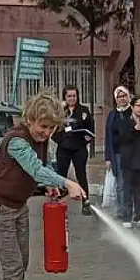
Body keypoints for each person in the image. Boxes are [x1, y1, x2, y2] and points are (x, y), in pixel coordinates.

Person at [0, 90, 86, 280]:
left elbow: (42, 169)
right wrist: (67, 183)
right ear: (30, 119)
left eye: (51, 128)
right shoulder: (17, 140)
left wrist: (50, 185)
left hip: (17, 205)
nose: (46, 133)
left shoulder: (41, 140)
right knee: (13, 264)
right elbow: (34, 168)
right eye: (43, 126)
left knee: (21, 261)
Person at [52, 84, 94, 216]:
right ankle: (58, 202)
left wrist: (85, 140)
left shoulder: (84, 111)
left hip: (79, 149)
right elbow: (52, 129)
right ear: (64, 97)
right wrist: (61, 138)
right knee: (60, 175)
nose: (72, 98)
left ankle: (85, 203)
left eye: (74, 96)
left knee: (81, 175)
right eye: (69, 96)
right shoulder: (59, 111)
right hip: (63, 148)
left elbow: (90, 130)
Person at [116, 95, 140, 229]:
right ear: (132, 106)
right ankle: (126, 216)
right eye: (138, 105)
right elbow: (121, 139)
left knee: (139, 190)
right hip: (129, 161)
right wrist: (134, 129)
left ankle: (139, 216)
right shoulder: (125, 122)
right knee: (127, 189)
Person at [103, 86, 130, 214]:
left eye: (124, 95)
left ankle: (133, 210)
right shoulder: (113, 114)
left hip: (131, 154)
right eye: (119, 97)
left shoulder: (133, 112)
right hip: (117, 154)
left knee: (130, 183)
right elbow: (108, 137)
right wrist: (107, 157)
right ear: (116, 99)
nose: (122, 99)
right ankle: (122, 210)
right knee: (120, 184)